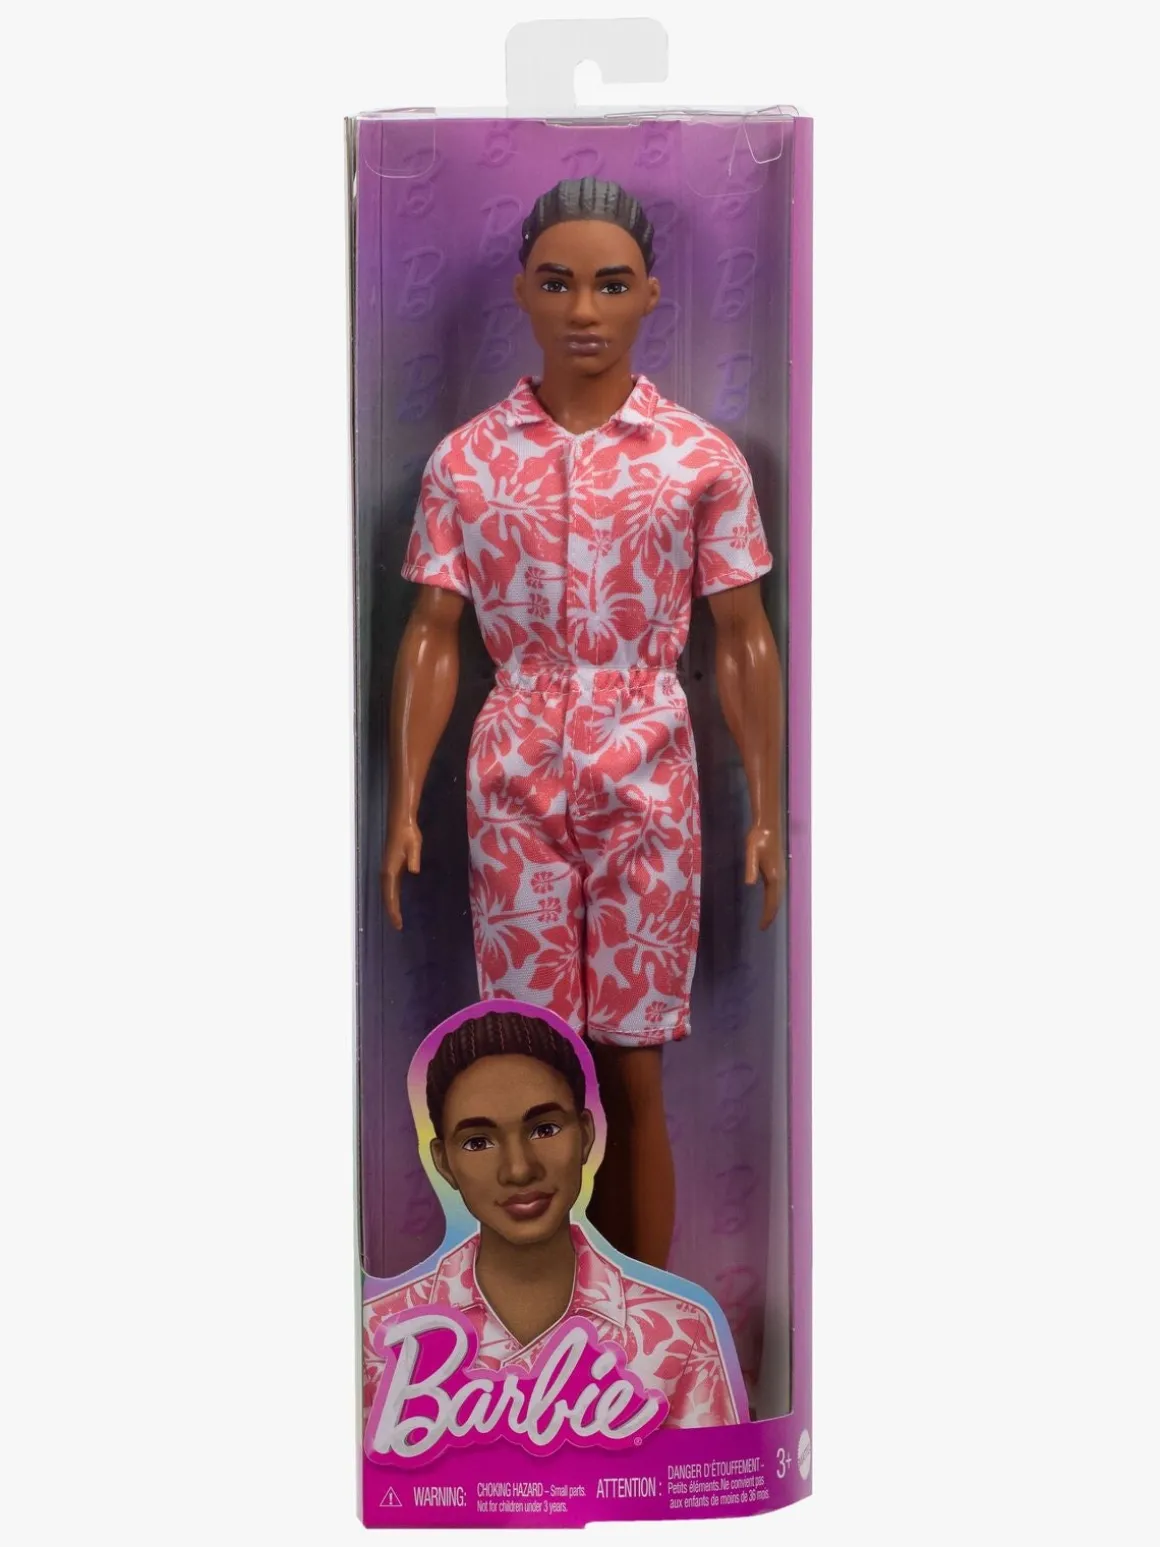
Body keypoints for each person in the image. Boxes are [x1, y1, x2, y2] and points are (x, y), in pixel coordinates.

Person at [382, 177, 784, 1268]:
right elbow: (432, 631)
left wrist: (767, 811)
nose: (584, 310)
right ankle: (551, 1317)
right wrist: (404, 800)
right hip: (512, 767)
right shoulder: (469, 460)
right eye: (557, 282)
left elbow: (743, 636)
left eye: (612, 283)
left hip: (648, 766)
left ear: (651, 293)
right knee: (534, 1067)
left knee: (633, 1065)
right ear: (522, 289)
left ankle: (649, 1310)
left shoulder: (698, 458)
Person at [362, 1008, 744, 1436]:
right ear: (443, 1162)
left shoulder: (681, 1333)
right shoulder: (380, 1334)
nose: (519, 1169)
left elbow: (704, 1476)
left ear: (586, 1134)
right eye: (478, 1142)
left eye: (544, 1129)